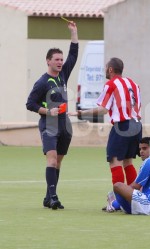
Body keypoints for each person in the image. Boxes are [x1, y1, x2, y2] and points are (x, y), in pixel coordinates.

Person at [71, 57, 142, 210]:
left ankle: (119, 203)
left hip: (122, 125)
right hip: (136, 125)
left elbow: (103, 109)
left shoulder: (110, 84)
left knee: (115, 162)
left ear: (110, 69)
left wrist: (81, 113)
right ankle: (135, 199)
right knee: (128, 162)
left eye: (105, 68)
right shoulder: (134, 84)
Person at [26, 21, 78, 210]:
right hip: (49, 125)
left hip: (64, 125)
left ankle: (49, 197)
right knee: (52, 159)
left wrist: (74, 33)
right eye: (56, 59)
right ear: (48, 61)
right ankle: (54, 197)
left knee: (58, 163)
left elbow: (73, 54)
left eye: (60, 59)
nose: (60, 62)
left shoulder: (63, 74)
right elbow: (30, 104)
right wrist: (48, 111)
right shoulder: (42, 82)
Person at [105, 137, 150, 215]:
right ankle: (118, 204)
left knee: (117, 186)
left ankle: (114, 204)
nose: (141, 151)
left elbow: (135, 186)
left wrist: (123, 193)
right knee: (140, 190)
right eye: (140, 149)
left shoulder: (149, 161)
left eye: (144, 148)